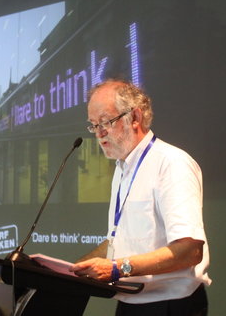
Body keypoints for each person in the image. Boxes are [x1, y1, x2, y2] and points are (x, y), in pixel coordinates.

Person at [70, 79, 211, 315]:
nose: (99, 133)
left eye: (106, 122)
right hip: (130, 302)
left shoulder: (171, 164)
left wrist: (117, 269)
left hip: (169, 305)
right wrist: (68, 272)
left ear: (134, 117)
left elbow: (189, 250)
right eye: (93, 125)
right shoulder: (122, 168)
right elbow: (118, 241)